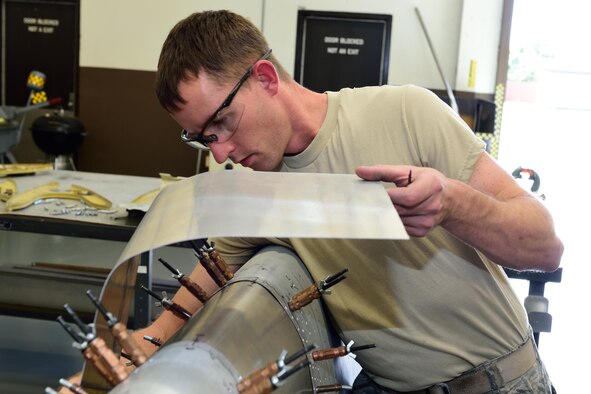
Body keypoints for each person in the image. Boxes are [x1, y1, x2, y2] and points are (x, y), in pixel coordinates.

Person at [144, 9, 563, 394]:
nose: (219, 153)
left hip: (500, 383)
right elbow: (211, 272)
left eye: (221, 122)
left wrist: (453, 204)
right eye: (203, 138)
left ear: (267, 79)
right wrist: (145, 343)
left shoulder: (406, 112)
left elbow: (545, 247)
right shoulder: (258, 193)